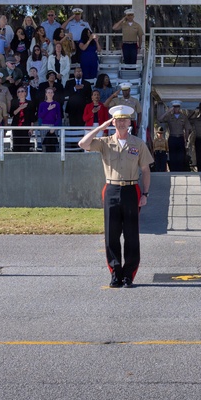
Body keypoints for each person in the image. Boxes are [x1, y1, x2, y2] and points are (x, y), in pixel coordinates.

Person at [79, 104, 153, 288]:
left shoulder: (138, 143)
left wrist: (145, 193)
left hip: (131, 189)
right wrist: (100, 127)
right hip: (111, 189)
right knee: (111, 235)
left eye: (124, 120)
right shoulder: (105, 142)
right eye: (117, 120)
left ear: (130, 122)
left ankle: (129, 275)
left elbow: (145, 170)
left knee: (131, 234)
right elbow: (83, 143)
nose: (121, 123)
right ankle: (115, 273)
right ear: (113, 122)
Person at [158, 101, 189, 171]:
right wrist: (167, 112)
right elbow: (160, 119)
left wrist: (186, 139)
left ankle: (180, 171)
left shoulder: (183, 117)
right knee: (172, 156)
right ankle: (173, 171)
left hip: (180, 137)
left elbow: (187, 128)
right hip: (172, 137)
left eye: (177, 107)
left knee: (181, 156)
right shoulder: (169, 117)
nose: (176, 109)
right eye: (174, 107)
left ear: (179, 107)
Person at [9, 86, 37, 152]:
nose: (21, 93)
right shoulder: (14, 102)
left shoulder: (30, 103)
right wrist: (20, 108)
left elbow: (32, 117)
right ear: (17, 94)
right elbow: (12, 114)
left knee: (25, 145)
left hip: (26, 126)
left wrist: (31, 128)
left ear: (25, 93)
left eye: (22, 91)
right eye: (19, 91)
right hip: (16, 126)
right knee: (16, 145)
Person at [37, 86, 63, 152]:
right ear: (46, 94)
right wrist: (48, 109)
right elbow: (40, 116)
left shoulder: (56, 104)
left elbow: (59, 117)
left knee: (53, 144)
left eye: (51, 92)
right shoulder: (42, 104)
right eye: (48, 92)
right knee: (45, 145)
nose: (50, 94)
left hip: (54, 126)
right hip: (44, 126)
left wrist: (54, 127)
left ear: (53, 94)